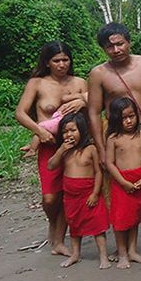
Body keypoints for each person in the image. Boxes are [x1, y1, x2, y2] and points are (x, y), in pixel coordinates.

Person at [15, 41, 87, 257]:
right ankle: (53, 223)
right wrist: (39, 131)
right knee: (49, 197)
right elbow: (20, 113)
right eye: (57, 60)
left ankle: (59, 239)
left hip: (75, 145)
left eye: (66, 60)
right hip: (48, 146)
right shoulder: (37, 83)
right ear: (47, 62)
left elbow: (96, 104)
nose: (62, 64)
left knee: (67, 192)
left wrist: (83, 102)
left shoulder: (80, 82)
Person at [87, 22, 141, 166]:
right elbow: (94, 112)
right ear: (104, 49)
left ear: (129, 42)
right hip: (117, 134)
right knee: (121, 180)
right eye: (110, 47)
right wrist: (101, 148)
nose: (116, 50)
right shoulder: (98, 74)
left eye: (120, 44)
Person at [48, 112, 109, 269]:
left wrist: (96, 193)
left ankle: (103, 256)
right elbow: (51, 165)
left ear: (82, 130)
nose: (69, 134)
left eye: (73, 130)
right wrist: (61, 150)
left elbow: (98, 172)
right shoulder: (65, 151)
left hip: (89, 193)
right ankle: (75, 254)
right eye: (65, 131)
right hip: (70, 196)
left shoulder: (90, 149)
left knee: (97, 226)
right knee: (74, 225)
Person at [105, 96, 141, 269]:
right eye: (124, 118)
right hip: (121, 183)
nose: (129, 121)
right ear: (117, 119)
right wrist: (123, 182)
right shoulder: (113, 139)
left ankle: (132, 250)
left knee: (134, 217)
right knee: (120, 218)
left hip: (140, 181)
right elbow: (110, 163)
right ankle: (122, 253)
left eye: (131, 116)